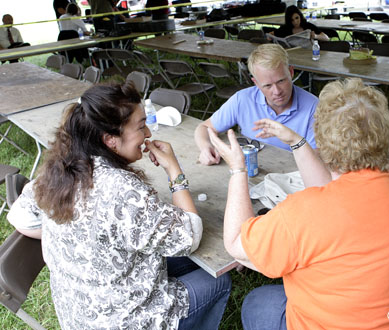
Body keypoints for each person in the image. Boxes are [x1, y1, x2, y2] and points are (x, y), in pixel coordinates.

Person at [207, 78, 389, 329]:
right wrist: (296, 141)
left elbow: (236, 243)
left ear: (321, 142)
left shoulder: (303, 213)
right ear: (387, 134)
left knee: (258, 301)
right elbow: (331, 194)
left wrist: (237, 170)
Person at [7, 82, 231, 330]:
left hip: (78, 315)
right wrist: (173, 169)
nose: (147, 133)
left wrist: (81, 235)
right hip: (123, 322)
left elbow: (19, 216)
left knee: (183, 260)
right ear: (110, 140)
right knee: (217, 280)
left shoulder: (61, 168)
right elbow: (190, 234)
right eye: (141, 126)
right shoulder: (123, 190)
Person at [194, 43, 318, 165]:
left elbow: (319, 158)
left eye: (281, 81)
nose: (277, 91)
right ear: (256, 83)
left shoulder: (314, 107)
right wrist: (206, 148)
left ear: (291, 72)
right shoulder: (242, 99)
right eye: (267, 85)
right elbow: (204, 128)